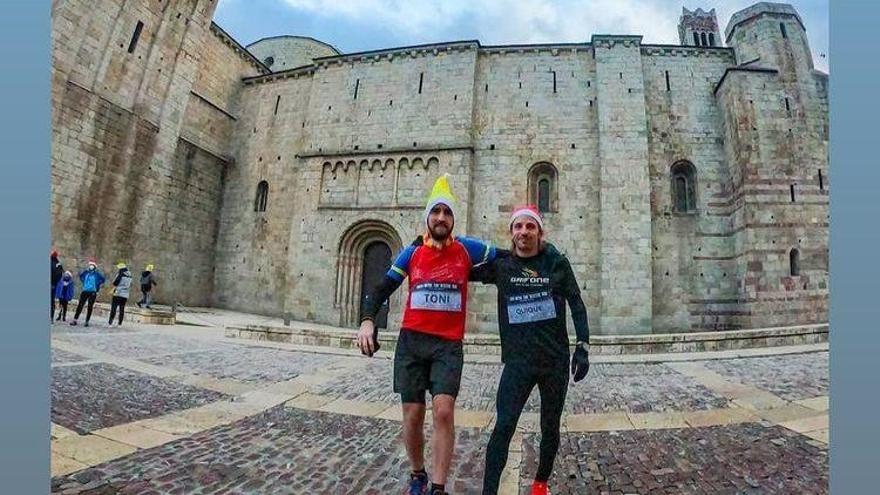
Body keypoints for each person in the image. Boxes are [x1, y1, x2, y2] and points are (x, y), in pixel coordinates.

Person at [357, 174, 496, 495]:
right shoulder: (412, 252)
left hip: (447, 345)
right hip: (412, 343)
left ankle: (437, 486)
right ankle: (418, 473)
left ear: (453, 219)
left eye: (447, 213)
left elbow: (504, 257)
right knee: (413, 415)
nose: (441, 218)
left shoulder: (466, 249)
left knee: (444, 411)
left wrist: (537, 256)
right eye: (436, 212)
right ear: (428, 217)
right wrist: (367, 320)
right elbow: (381, 287)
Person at [470, 205, 591, 495]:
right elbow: (461, 269)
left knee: (550, 427)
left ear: (539, 232)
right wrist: (431, 247)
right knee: (503, 426)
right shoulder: (502, 265)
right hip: (518, 363)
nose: (524, 232)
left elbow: (576, 303)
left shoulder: (557, 263)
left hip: (554, 362)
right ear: (511, 233)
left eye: (530, 226)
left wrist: (583, 346)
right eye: (518, 227)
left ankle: (540, 483)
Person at [70, 259, 105, 327]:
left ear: (94, 266)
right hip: (85, 291)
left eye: (92, 265)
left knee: (90, 306)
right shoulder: (86, 272)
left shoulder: (97, 274)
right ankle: (75, 319)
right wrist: (84, 282)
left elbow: (103, 280)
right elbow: (81, 276)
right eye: (90, 265)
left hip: (93, 292)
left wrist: (97, 284)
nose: (90, 266)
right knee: (80, 305)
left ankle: (87, 321)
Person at [108, 262, 133, 326]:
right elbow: (130, 285)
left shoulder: (120, 274)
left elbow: (115, 283)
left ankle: (110, 323)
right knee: (122, 309)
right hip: (125, 294)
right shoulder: (130, 275)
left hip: (118, 293)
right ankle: (120, 323)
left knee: (114, 308)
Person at [50, 250, 63, 321]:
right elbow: (59, 274)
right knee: (51, 302)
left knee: (51, 302)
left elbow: (59, 275)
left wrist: (54, 283)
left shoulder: (57, 264)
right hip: (52, 284)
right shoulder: (58, 264)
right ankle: (51, 317)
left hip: (52, 284)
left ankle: (51, 317)